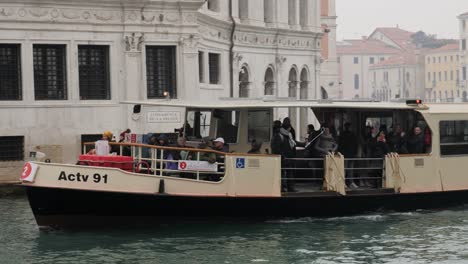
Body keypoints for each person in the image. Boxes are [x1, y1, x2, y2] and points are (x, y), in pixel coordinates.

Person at [338, 122, 358, 188]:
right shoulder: (353, 135)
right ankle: (350, 182)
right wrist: (355, 153)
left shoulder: (342, 135)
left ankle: (344, 182)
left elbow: (340, 145)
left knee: (345, 169)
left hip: (346, 154)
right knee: (349, 169)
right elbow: (355, 145)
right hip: (350, 154)